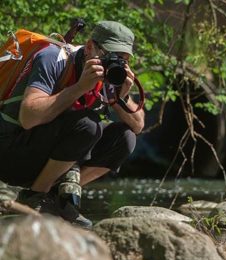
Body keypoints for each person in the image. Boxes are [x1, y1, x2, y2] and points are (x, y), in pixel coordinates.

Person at [0, 21, 145, 228]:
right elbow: (28, 117)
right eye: (109, 54)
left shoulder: (109, 77)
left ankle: (55, 196)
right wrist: (80, 87)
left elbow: (138, 126)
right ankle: (35, 197)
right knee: (88, 125)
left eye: (123, 59)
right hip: (10, 152)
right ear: (88, 47)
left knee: (125, 137)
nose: (114, 62)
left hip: (45, 154)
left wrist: (118, 98)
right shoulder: (53, 58)